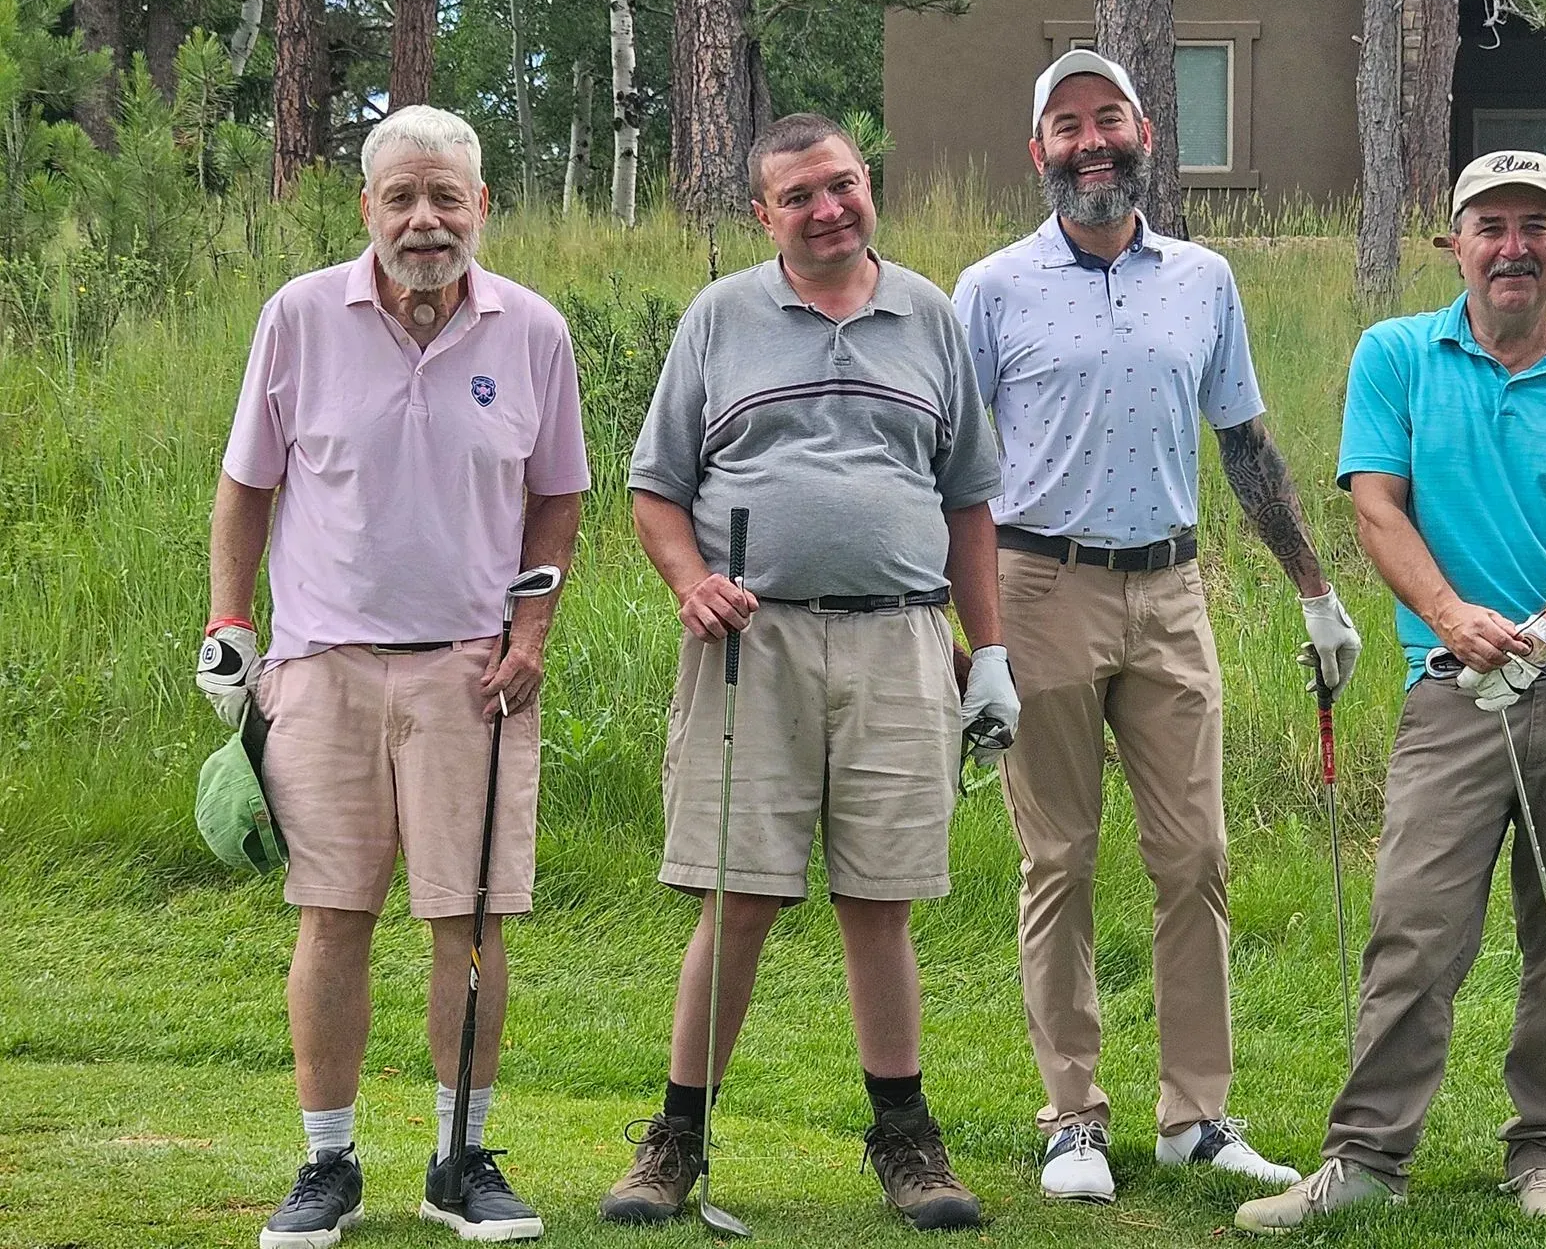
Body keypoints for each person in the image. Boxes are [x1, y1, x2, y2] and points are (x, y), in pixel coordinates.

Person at [953, 50, 1363, 1204]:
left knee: (1196, 859)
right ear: (1039, 152)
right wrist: (970, 635)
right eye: (1068, 125)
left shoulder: (1204, 277)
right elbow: (951, 468)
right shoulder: (989, 288)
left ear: (1144, 135)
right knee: (1060, 861)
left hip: (1171, 592)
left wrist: (1314, 590)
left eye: (1111, 119)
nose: (1093, 142)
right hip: (1039, 589)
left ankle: (1197, 1116)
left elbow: (1244, 445)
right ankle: (1073, 1118)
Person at [600, 113, 1018, 1233]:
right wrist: (689, 583)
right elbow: (656, 488)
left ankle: (907, 1144)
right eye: (800, 197)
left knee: (880, 904)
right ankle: (675, 1140)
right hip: (753, 645)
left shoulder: (929, 313)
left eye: (842, 185)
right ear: (763, 215)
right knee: (738, 901)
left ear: (867, 182)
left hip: (900, 638)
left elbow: (969, 500)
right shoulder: (721, 317)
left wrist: (994, 659)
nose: (828, 209)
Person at [1235, 150, 1546, 1232]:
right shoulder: (1397, 356)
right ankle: (1369, 1156)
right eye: (1492, 226)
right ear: (1456, 243)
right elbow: (1377, 506)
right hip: (1451, 687)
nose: (1513, 246)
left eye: (1537, 225)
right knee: (1414, 929)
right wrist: (1452, 618)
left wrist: (1545, 631)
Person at [198, 104, 589, 1248]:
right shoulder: (301, 317)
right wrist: (231, 622)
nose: (426, 221)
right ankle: (327, 1164)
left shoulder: (533, 332)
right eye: (403, 199)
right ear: (367, 208)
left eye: (447, 198)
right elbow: (246, 488)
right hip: (320, 667)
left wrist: (533, 633)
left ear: (480, 209)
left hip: (473, 673)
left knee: (468, 925)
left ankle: (460, 1160)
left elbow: (557, 496)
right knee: (333, 918)